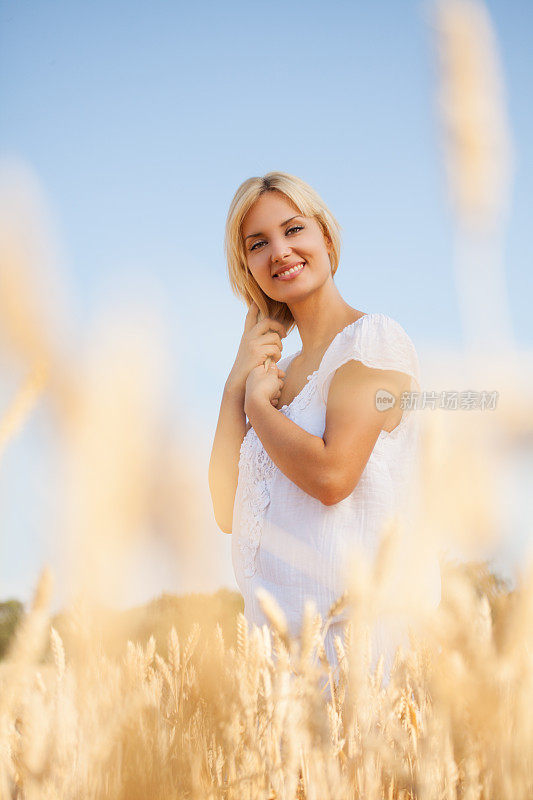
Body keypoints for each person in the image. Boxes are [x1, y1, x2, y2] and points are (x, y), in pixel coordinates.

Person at [208, 171, 440, 697]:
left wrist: (257, 410)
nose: (280, 251)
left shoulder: (372, 341)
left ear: (326, 239)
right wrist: (234, 386)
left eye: (294, 230)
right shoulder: (272, 379)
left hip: (362, 660)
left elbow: (334, 475)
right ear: (247, 268)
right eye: (258, 243)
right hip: (283, 670)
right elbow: (226, 509)